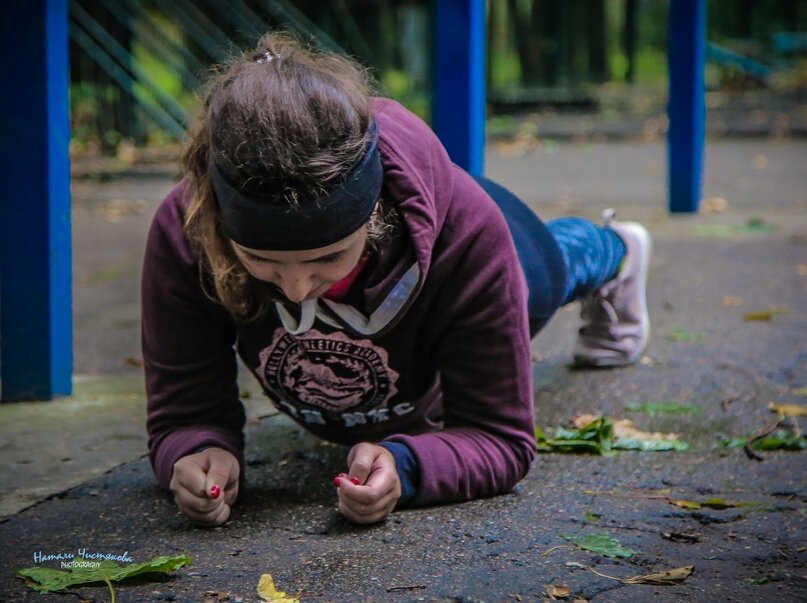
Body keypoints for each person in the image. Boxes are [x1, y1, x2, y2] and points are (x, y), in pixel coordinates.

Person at [142, 33, 651, 527]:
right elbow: (183, 414)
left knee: (554, 269)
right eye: (263, 261)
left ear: (376, 215)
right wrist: (195, 451)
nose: (296, 289)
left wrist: (410, 467)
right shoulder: (188, 226)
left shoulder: (470, 236)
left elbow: (500, 438)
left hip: (497, 243)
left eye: (327, 257)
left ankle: (618, 248)